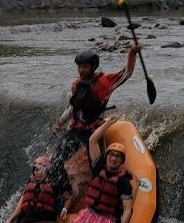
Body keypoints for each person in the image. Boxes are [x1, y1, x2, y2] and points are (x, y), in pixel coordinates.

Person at [49, 46, 142, 187]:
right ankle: (62, 190)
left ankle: (101, 191)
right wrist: (59, 123)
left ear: (93, 67)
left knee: (97, 167)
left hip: (93, 133)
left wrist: (132, 53)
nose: (81, 70)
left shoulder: (104, 82)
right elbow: (72, 107)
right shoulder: (76, 84)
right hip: (74, 131)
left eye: (85, 67)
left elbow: (126, 73)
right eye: (79, 67)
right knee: (57, 161)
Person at [58, 116, 133, 223]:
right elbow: (92, 140)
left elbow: (127, 210)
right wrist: (108, 123)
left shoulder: (123, 182)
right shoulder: (98, 165)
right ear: (107, 157)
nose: (113, 159)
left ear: (121, 161)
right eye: (111, 155)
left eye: (117, 157)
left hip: (106, 221)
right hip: (88, 213)